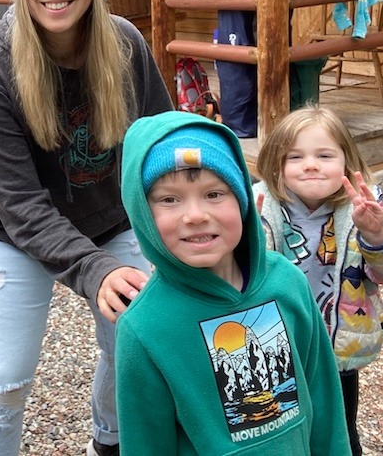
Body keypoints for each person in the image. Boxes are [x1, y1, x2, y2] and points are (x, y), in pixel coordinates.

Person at [0, 0, 173, 456]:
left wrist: (218, 200)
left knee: (130, 346)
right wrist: (92, 268)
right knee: (7, 380)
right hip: (13, 233)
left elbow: (159, 142)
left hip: (112, 218)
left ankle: (111, 441)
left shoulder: (126, 44)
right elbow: (22, 205)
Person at [116, 111, 352, 455]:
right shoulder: (143, 329)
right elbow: (145, 444)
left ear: (243, 199)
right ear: (141, 212)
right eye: (169, 199)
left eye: (214, 194)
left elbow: (324, 400)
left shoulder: (288, 283)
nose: (195, 215)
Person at [252, 105, 383, 456]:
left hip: (336, 352)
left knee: (340, 433)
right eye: (294, 156)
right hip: (277, 348)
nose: (310, 164)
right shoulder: (259, 208)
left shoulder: (365, 211)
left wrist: (376, 235)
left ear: (347, 161)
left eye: (324, 155)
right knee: (277, 431)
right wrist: (246, 239)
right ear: (275, 164)